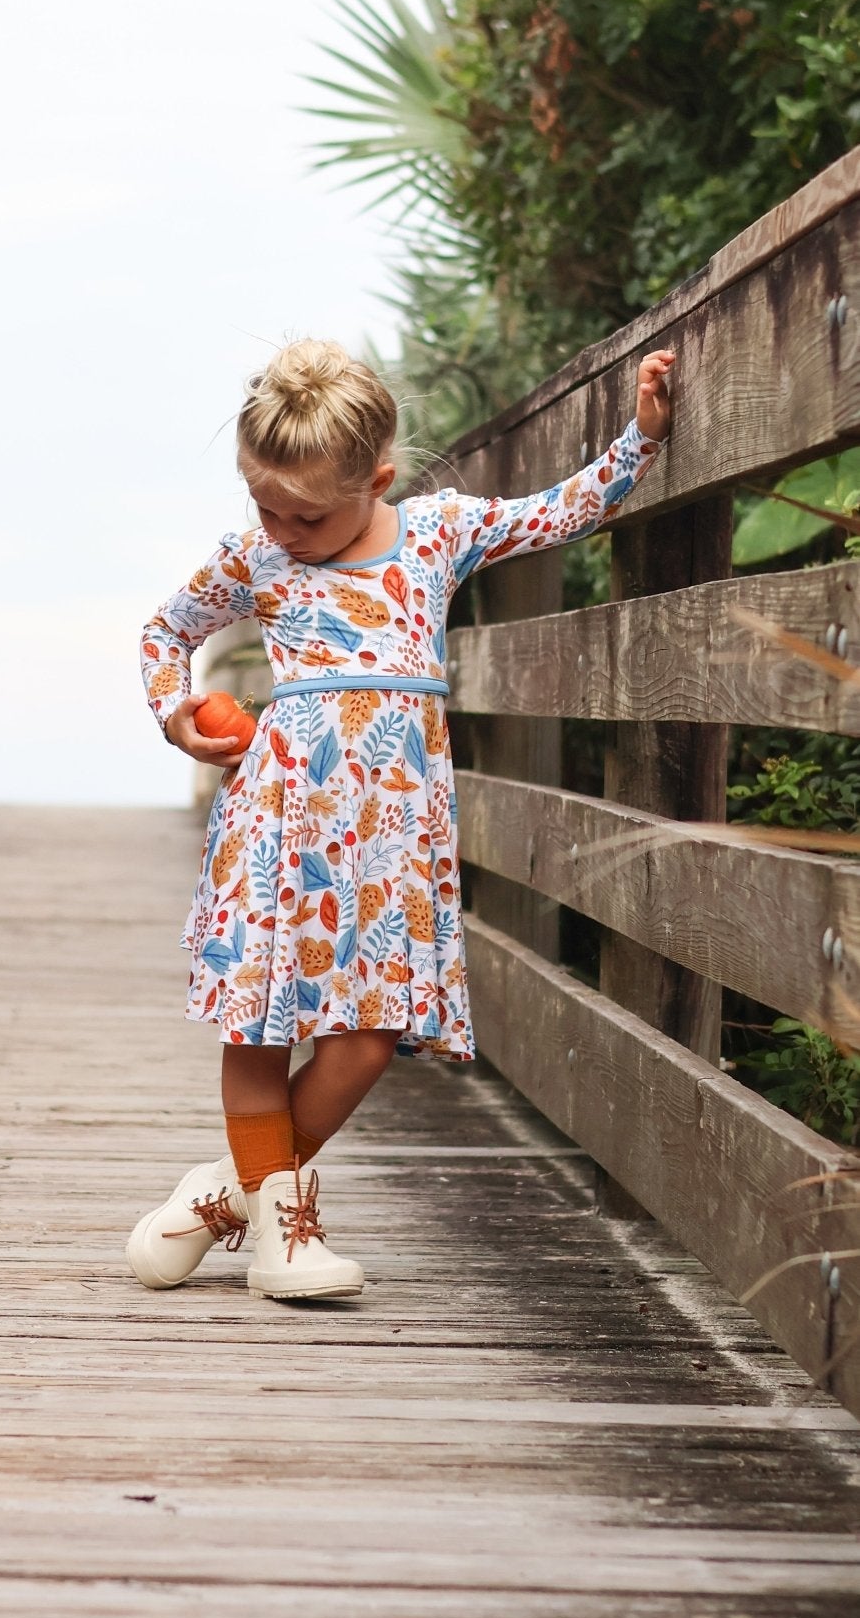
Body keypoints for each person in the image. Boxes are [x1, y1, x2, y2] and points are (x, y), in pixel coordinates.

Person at [127, 337, 674, 1300]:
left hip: (390, 844)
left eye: (308, 513)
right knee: (256, 1027)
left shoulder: (435, 534)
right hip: (279, 830)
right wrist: (176, 713)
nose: (282, 529)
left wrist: (638, 438)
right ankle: (285, 1234)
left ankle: (231, 1196)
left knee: (368, 1036)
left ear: (377, 479)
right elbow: (166, 631)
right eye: (264, 505)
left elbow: (554, 513)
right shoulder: (252, 558)